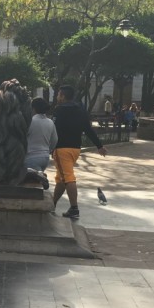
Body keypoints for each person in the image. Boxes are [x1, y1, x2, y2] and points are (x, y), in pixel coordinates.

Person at [51, 85, 107, 219]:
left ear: (63, 96)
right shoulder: (81, 110)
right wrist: (99, 146)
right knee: (61, 179)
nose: (58, 97)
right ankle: (52, 204)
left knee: (68, 178)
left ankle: (74, 208)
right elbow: (88, 129)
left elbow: (53, 129)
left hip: (61, 148)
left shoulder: (59, 110)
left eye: (59, 94)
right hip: (75, 148)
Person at [25, 97, 57, 171]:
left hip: (31, 157)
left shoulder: (30, 122)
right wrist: (49, 150)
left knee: (31, 181)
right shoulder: (50, 122)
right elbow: (55, 140)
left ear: (33, 108)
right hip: (45, 157)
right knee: (39, 180)